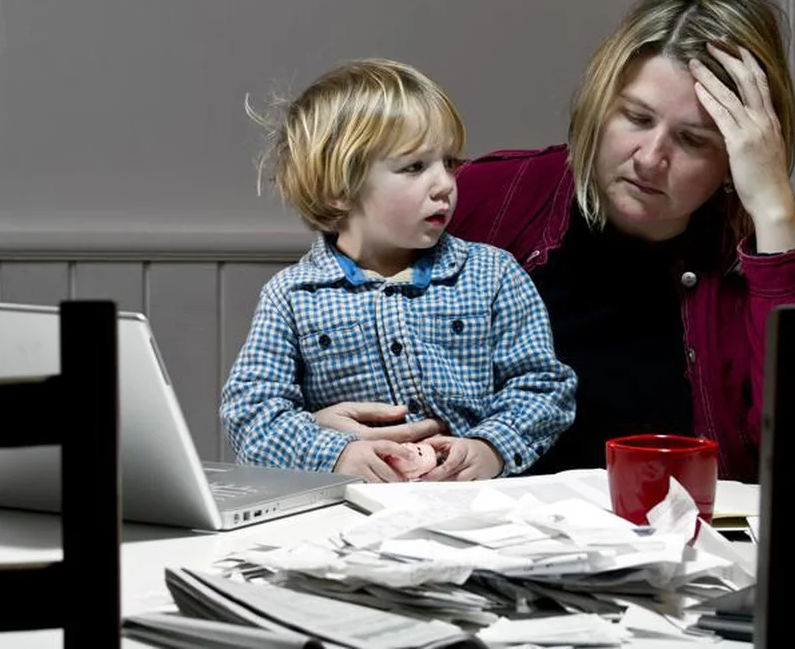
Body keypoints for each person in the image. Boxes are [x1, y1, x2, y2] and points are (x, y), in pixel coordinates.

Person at [314, 0, 795, 487]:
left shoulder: (788, 248)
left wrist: (774, 210)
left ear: (737, 155)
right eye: (637, 117)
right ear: (601, 103)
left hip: (686, 558)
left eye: (694, 141)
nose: (651, 159)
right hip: (482, 545)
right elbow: (325, 346)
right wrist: (321, 424)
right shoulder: (488, 199)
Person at [220, 58, 578, 484]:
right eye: (414, 167)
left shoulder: (493, 275)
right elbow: (251, 414)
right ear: (338, 189)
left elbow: (544, 386)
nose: (445, 184)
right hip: (345, 513)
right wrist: (337, 454)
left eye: (449, 163)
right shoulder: (292, 296)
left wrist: (491, 447)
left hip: (475, 509)